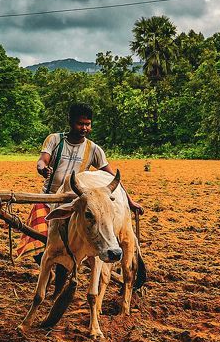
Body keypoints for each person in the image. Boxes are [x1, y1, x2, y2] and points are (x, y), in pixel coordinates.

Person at [15, 102, 142, 266]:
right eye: (80, 123)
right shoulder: (54, 140)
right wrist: (43, 169)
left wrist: (130, 202)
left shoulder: (94, 149)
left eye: (87, 124)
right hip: (49, 198)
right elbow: (42, 161)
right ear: (71, 122)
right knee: (42, 248)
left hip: (77, 204)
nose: (84, 128)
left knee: (76, 243)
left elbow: (112, 179)